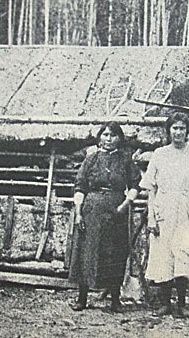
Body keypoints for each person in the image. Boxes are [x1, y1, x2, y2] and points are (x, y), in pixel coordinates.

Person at [139, 112, 189, 318]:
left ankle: (182, 305)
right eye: (174, 128)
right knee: (164, 256)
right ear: (168, 131)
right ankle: (165, 303)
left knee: (184, 255)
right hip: (163, 209)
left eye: (182, 128)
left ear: (187, 131)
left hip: (186, 210)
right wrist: (151, 217)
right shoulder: (159, 154)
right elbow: (151, 188)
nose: (178, 132)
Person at [69, 122, 141, 313]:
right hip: (91, 211)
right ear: (100, 137)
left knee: (115, 253)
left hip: (116, 211)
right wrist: (78, 213)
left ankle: (115, 300)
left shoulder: (125, 160)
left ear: (119, 139)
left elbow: (135, 185)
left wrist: (125, 205)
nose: (109, 139)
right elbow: (80, 186)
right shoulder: (90, 160)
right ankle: (82, 298)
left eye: (113, 135)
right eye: (105, 135)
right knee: (88, 252)